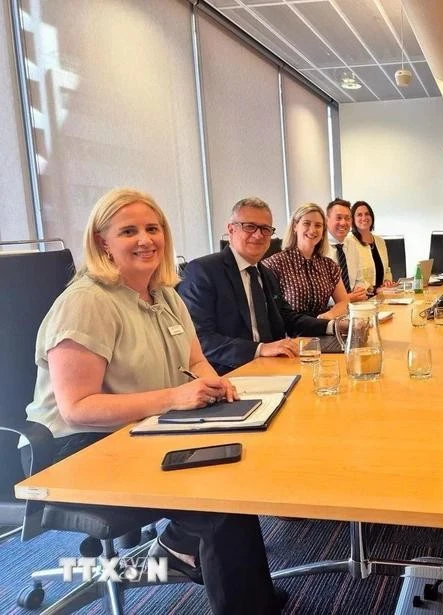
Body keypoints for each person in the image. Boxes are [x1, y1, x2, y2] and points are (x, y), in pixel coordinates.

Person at [23, 188, 284, 614]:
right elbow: (77, 408)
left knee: (251, 457)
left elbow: (198, 362)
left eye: (153, 228)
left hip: (147, 431)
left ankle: (186, 555)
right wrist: (174, 397)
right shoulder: (86, 302)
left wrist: (216, 386)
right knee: (220, 504)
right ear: (102, 241)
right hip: (78, 449)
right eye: (129, 231)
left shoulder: (165, 296)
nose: (145, 239)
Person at [178, 197, 332, 375]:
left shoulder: (265, 273)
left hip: (275, 369)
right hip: (230, 375)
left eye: (265, 229)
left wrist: (333, 327)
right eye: (250, 226)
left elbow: (288, 318)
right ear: (231, 229)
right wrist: (260, 349)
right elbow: (199, 339)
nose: (258, 235)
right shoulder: (204, 271)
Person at [262, 203, 349, 320]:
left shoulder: (329, 265)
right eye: (306, 223)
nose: (312, 230)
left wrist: (327, 317)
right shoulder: (275, 264)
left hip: (324, 329)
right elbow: (270, 312)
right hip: (292, 334)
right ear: (295, 226)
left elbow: (343, 302)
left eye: (318, 225)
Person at [325, 198, 368, 303]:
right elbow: (318, 294)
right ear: (327, 220)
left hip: (354, 306)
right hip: (328, 310)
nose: (343, 223)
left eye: (347, 218)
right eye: (338, 218)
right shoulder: (319, 247)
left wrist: (359, 291)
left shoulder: (352, 244)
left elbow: (359, 279)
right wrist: (345, 298)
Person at [351, 200, 396, 291]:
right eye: (359, 215)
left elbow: (387, 269)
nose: (364, 218)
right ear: (353, 219)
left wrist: (387, 281)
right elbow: (353, 277)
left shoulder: (380, 241)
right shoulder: (350, 242)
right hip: (363, 298)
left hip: (382, 295)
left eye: (367, 214)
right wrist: (374, 290)